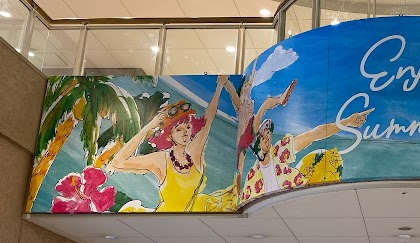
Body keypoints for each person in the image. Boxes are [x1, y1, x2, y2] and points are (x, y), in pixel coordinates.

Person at [107, 75, 237, 212]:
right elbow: (117, 162)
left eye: (188, 127)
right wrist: (149, 127)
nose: (185, 132)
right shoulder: (162, 160)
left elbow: (209, 118)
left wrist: (219, 86)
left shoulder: (194, 154)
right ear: (169, 135)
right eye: (179, 130)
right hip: (163, 219)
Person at [239, 106, 371, 203]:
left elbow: (314, 134)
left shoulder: (279, 152)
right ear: (256, 145)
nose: (267, 138)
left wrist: (347, 122)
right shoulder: (252, 176)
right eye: (263, 137)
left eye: (268, 134)